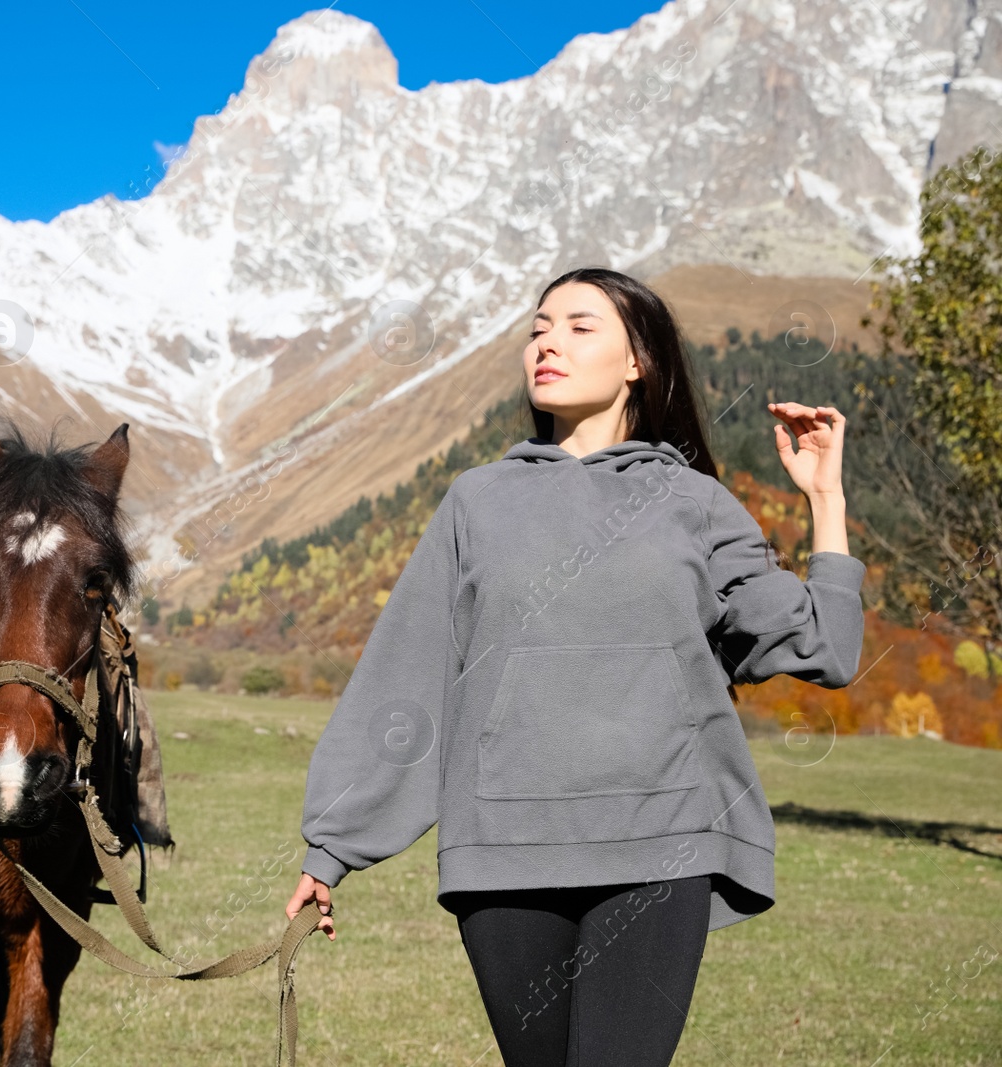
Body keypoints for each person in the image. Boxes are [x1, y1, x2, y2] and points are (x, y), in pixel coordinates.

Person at [283, 266, 866, 1067]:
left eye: (579, 325)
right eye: (538, 328)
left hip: (660, 845)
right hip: (505, 852)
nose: (547, 341)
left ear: (638, 362)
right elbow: (407, 676)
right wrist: (332, 846)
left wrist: (825, 500)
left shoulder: (695, 502)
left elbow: (823, 647)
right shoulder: (476, 502)